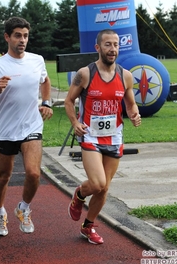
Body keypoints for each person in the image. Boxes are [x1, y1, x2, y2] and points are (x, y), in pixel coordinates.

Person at [0, 17, 53, 236]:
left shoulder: (37, 60)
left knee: (34, 174)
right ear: (7, 37)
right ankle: (0, 213)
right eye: (18, 35)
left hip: (31, 126)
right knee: (4, 175)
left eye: (26, 36)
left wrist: (46, 103)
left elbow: (45, 80)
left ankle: (23, 208)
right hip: (7, 130)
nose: (22, 40)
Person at [64, 29, 141, 244]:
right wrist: (75, 123)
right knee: (97, 184)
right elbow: (69, 101)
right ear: (98, 48)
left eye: (116, 45)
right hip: (90, 136)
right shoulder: (86, 74)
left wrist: (134, 113)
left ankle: (88, 226)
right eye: (108, 44)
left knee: (105, 187)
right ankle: (79, 195)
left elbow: (130, 103)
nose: (113, 49)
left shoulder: (125, 76)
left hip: (114, 137)